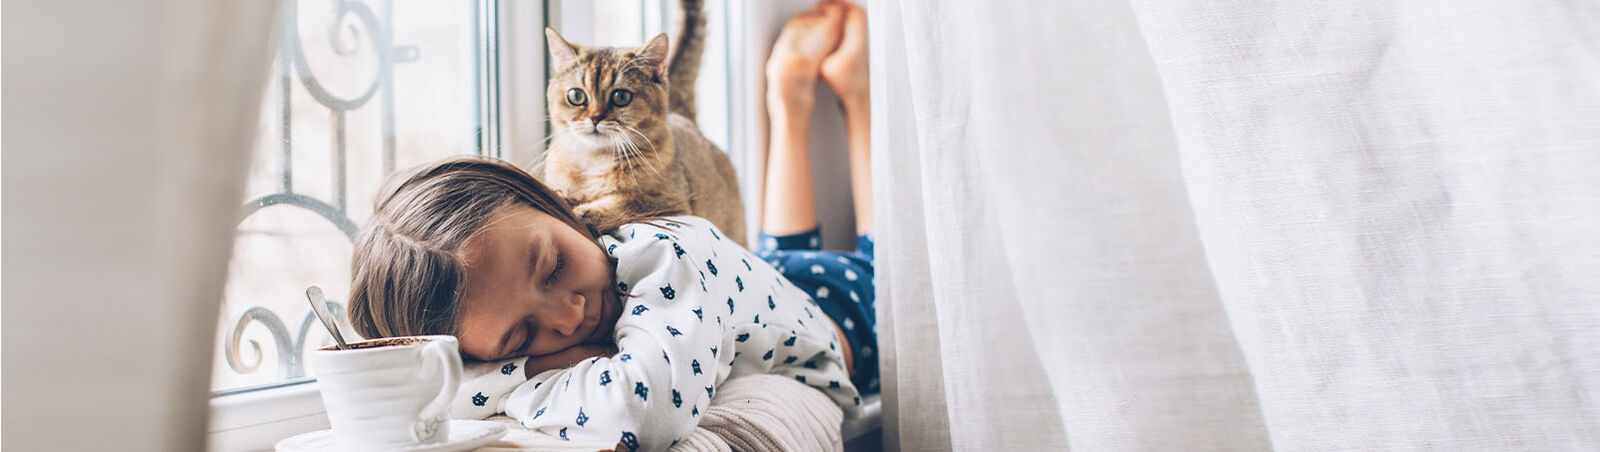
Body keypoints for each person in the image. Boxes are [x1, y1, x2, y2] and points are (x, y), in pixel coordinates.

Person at [343, 2, 873, 450]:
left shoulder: (671, 256)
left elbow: (638, 414)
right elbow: (440, 394)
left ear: (555, 203)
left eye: (554, 267)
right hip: (757, 284)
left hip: (842, 310)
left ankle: (845, 96)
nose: (571, 316)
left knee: (883, 256)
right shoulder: (542, 257)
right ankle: (791, 100)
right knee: (778, 252)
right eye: (522, 335)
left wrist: (518, 380)